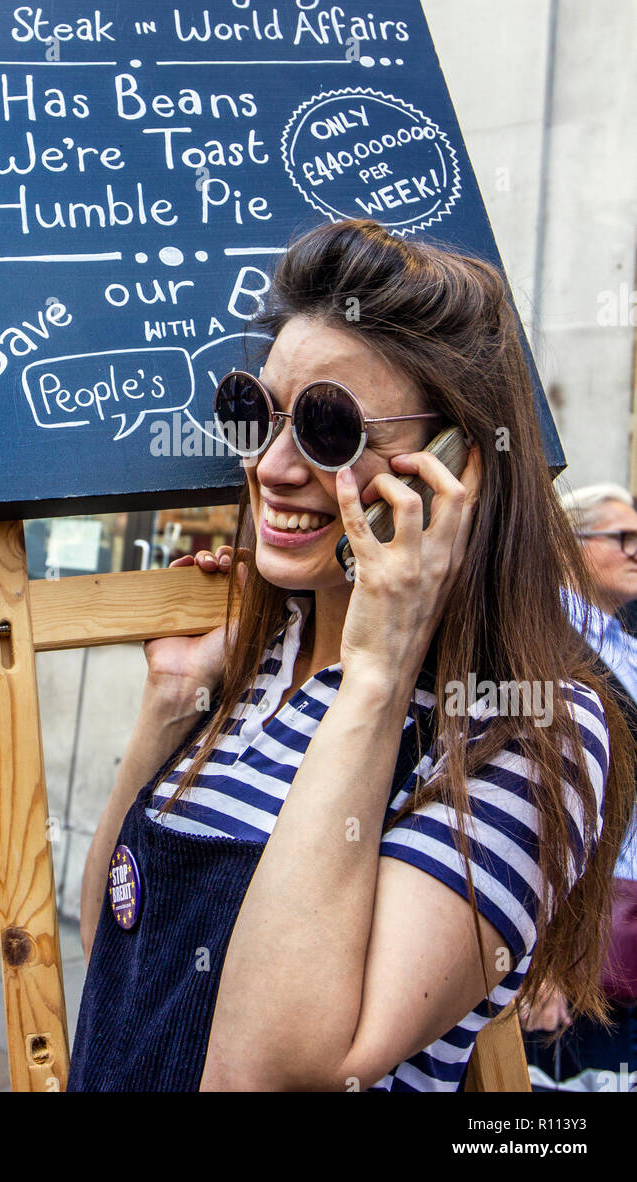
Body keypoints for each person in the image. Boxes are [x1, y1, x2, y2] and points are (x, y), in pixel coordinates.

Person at [67, 218, 636, 1093]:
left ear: (456, 468)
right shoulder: (253, 661)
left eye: (330, 428)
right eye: (255, 414)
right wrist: (172, 699)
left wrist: (377, 675)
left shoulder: (528, 729)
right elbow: (110, 935)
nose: (274, 467)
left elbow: (270, 1070)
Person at [520, 483, 637, 1090]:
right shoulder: (544, 642)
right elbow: (535, 804)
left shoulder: (623, 646)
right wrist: (541, 960)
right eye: (623, 537)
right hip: (580, 937)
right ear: (569, 544)